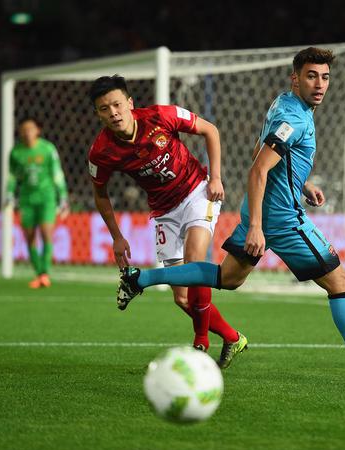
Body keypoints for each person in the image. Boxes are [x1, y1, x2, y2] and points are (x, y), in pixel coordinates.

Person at [117, 48, 345, 383]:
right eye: (311, 76)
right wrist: (258, 227)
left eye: (325, 77)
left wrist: (302, 184)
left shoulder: (282, 104)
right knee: (341, 281)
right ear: (295, 78)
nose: (320, 84)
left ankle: (140, 279)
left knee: (228, 278)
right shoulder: (295, 120)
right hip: (281, 219)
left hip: (262, 207)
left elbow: (262, 154)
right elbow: (258, 169)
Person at [87, 75, 247, 367]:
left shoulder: (162, 116)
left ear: (130, 103)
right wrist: (117, 237)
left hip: (197, 191)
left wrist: (216, 177)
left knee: (194, 261)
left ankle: (200, 343)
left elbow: (210, 130)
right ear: (98, 114)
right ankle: (232, 337)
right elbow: (100, 194)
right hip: (164, 212)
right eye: (104, 109)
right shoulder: (102, 152)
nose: (113, 113)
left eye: (117, 104)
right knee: (182, 298)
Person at [6, 118, 70, 288]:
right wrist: (9, 193)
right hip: (26, 199)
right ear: (20, 132)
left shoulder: (47, 149)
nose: (27, 133)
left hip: (46, 197)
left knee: (46, 233)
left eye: (31, 129)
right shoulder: (16, 152)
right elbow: (12, 175)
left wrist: (63, 196)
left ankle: (44, 273)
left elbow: (57, 173)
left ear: (37, 131)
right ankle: (40, 273)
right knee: (30, 237)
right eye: (24, 129)